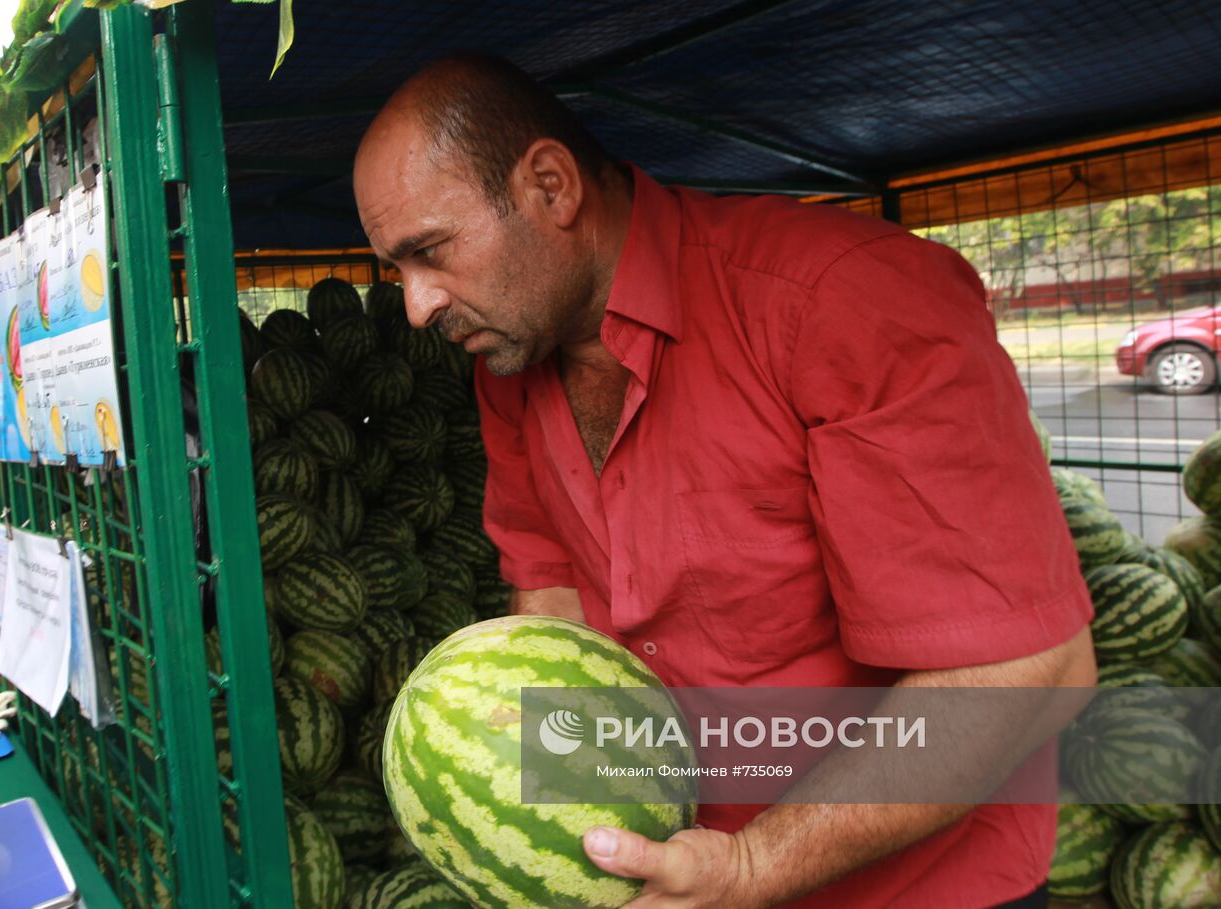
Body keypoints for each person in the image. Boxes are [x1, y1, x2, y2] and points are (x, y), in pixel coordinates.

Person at [353, 54, 1097, 909]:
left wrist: (754, 868)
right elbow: (552, 598)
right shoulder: (511, 367)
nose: (416, 305)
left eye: (430, 251)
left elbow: (1032, 669)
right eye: (395, 269)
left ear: (550, 186)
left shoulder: (847, 299)